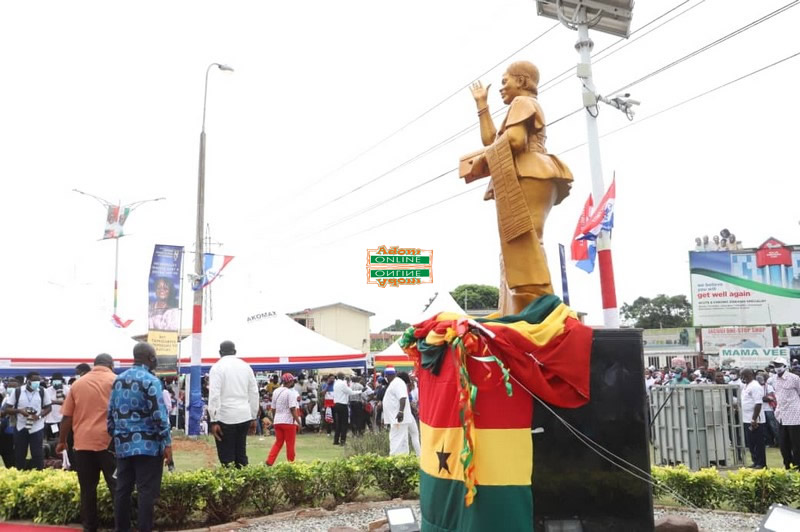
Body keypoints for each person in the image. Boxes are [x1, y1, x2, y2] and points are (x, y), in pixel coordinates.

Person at [466, 61, 573, 315]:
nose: (501, 88)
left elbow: (514, 141)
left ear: (523, 82)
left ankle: (534, 306)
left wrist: (483, 159)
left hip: (529, 171)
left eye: (505, 81)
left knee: (525, 240)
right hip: (524, 172)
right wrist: (483, 106)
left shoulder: (522, 103)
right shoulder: (519, 106)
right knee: (516, 243)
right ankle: (515, 308)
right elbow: (494, 141)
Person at [107, 343, 172, 532]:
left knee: (122, 490)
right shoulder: (151, 380)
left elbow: (110, 414)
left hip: (123, 444)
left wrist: (117, 434)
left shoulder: (118, 380)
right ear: (150, 358)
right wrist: (167, 442)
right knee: (146, 493)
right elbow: (159, 415)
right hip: (148, 446)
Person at [57, 354, 117, 532]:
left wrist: (62, 441)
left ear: (94, 364)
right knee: (117, 488)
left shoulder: (78, 384)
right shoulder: (117, 381)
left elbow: (67, 417)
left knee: (87, 489)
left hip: (83, 444)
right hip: (110, 445)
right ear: (111, 365)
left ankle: (90, 527)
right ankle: (121, 526)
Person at [207, 340, 259, 467]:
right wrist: (253, 417)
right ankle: (245, 484)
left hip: (225, 417)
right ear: (235, 352)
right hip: (244, 415)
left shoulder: (217, 367)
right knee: (241, 455)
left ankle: (231, 484)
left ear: (220, 353)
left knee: (227, 458)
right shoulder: (246, 366)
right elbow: (254, 393)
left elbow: (214, 395)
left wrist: (213, 420)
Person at [7, 372, 51, 470]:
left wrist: (39, 416)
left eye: (38, 380)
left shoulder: (42, 391)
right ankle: (20, 474)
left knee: (37, 453)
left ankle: (39, 474)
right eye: (35, 380)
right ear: (28, 381)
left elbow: (49, 407)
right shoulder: (17, 391)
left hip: (37, 427)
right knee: (20, 453)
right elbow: (8, 409)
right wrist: (19, 411)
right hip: (21, 426)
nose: (37, 382)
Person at [382, 368, 420, 456]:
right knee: (409, 436)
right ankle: (418, 456)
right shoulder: (397, 383)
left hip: (399, 417)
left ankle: (395, 458)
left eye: (387, 376)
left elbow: (402, 398)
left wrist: (400, 412)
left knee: (396, 438)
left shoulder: (397, 383)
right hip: (404, 415)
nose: (387, 378)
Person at [771, 357, 800, 469]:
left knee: (796, 444)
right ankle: (788, 465)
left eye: (779, 365)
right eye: (775, 365)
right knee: (783, 444)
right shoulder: (773, 379)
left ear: (785, 366)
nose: (777, 367)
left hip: (795, 415)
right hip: (782, 415)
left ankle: (798, 466)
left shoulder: (794, 378)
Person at [266, 373, 301, 465]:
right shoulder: (290, 393)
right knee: (290, 444)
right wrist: (298, 422)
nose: (293, 382)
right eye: (292, 380)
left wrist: (274, 420)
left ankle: (269, 461)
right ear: (289, 382)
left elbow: (273, 408)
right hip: (288, 422)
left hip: (278, 421)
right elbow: (293, 409)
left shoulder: (276, 391)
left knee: (278, 443)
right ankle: (291, 464)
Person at [741, 369, 766, 468]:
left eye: (745, 375)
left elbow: (758, 403)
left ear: (751, 375)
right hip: (746, 418)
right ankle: (755, 461)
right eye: (741, 376)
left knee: (758, 442)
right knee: (751, 443)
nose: (743, 378)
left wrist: (754, 419)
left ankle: (761, 463)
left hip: (755, 419)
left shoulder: (755, 386)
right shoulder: (746, 386)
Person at [332, 372, 361, 446]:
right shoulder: (342, 384)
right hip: (342, 405)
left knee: (338, 423)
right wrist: (361, 391)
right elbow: (350, 392)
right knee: (344, 424)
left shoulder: (335, 383)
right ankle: (342, 441)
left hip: (336, 404)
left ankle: (336, 440)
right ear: (343, 377)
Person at [0, 377, 19, 468]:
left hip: (13, 429)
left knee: (10, 452)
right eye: (9, 387)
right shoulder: (6, 398)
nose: (10, 389)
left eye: (13, 387)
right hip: (4, 428)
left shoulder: (19, 399)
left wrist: (4, 413)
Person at [44, 372, 69, 439]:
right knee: (53, 438)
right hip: (51, 420)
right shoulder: (47, 391)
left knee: (64, 438)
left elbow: (70, 403)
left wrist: (54, 402)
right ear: (52, 381)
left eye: (58, 380)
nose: (56, 382)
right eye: (54, 380)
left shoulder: (67, 390)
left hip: (63, 419)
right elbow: (45, 403)